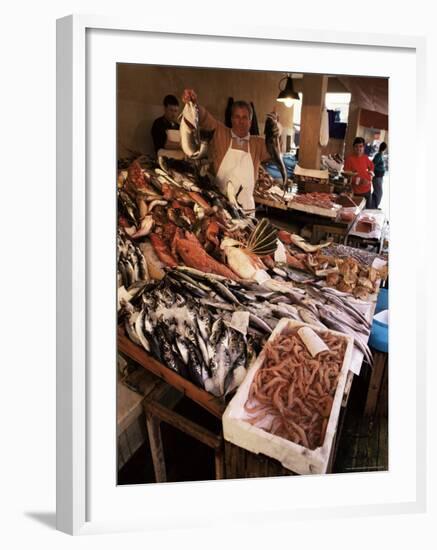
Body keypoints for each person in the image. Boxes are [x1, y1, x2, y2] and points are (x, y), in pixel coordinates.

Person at [182, 88, 270, 212]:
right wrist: (193, 104)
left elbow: (276, 150)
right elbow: (204, 118)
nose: (240, 121)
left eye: (245, 117)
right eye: (237, 117)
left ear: (250, 122)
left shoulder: (258, 143)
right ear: (231, 119)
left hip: (247, 209)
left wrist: (275, 129)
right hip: (221, 207)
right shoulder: (220, 132)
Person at [344, 137, 374, 208]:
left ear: (363, 147)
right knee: (356, 213)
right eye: (356, 146)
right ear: (353, 148)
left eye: (361, 146)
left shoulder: (365, 158)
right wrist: (360, 181)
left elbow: (372, 166)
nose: (358, 148)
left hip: (367, 191)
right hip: (356, 193)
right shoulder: (349, 159)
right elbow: (346, 176)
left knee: (367, 214)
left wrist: (371, 174)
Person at [371, 141, 387, 209]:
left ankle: (374, 206)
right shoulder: (378, 155)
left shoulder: (381, 155)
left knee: (377, 192)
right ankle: (374, 206)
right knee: (378, 193)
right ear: (385, 148)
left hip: (380, 177)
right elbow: (373, 164)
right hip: (377, 177)